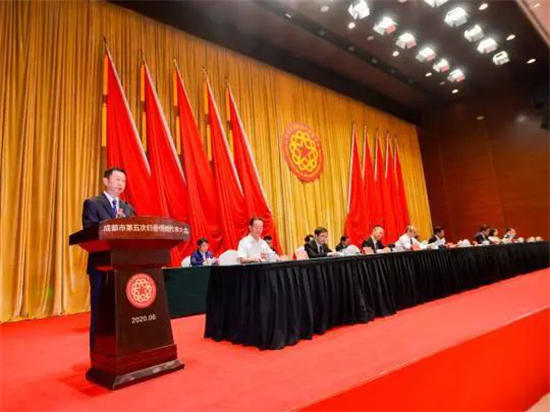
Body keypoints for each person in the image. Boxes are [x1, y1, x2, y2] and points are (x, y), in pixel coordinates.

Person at [82, 167, 135, 350]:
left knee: (125, 311)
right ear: (106, 181)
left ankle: (125, 347)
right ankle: (98, 351)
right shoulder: (93, 204)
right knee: (100, 309)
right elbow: (90, 232)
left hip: (124, 267)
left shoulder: (127, 208)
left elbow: (135, 233)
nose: (121, 184)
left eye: (124, 181)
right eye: (117, 179)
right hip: (101, 268)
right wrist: (113, 224)